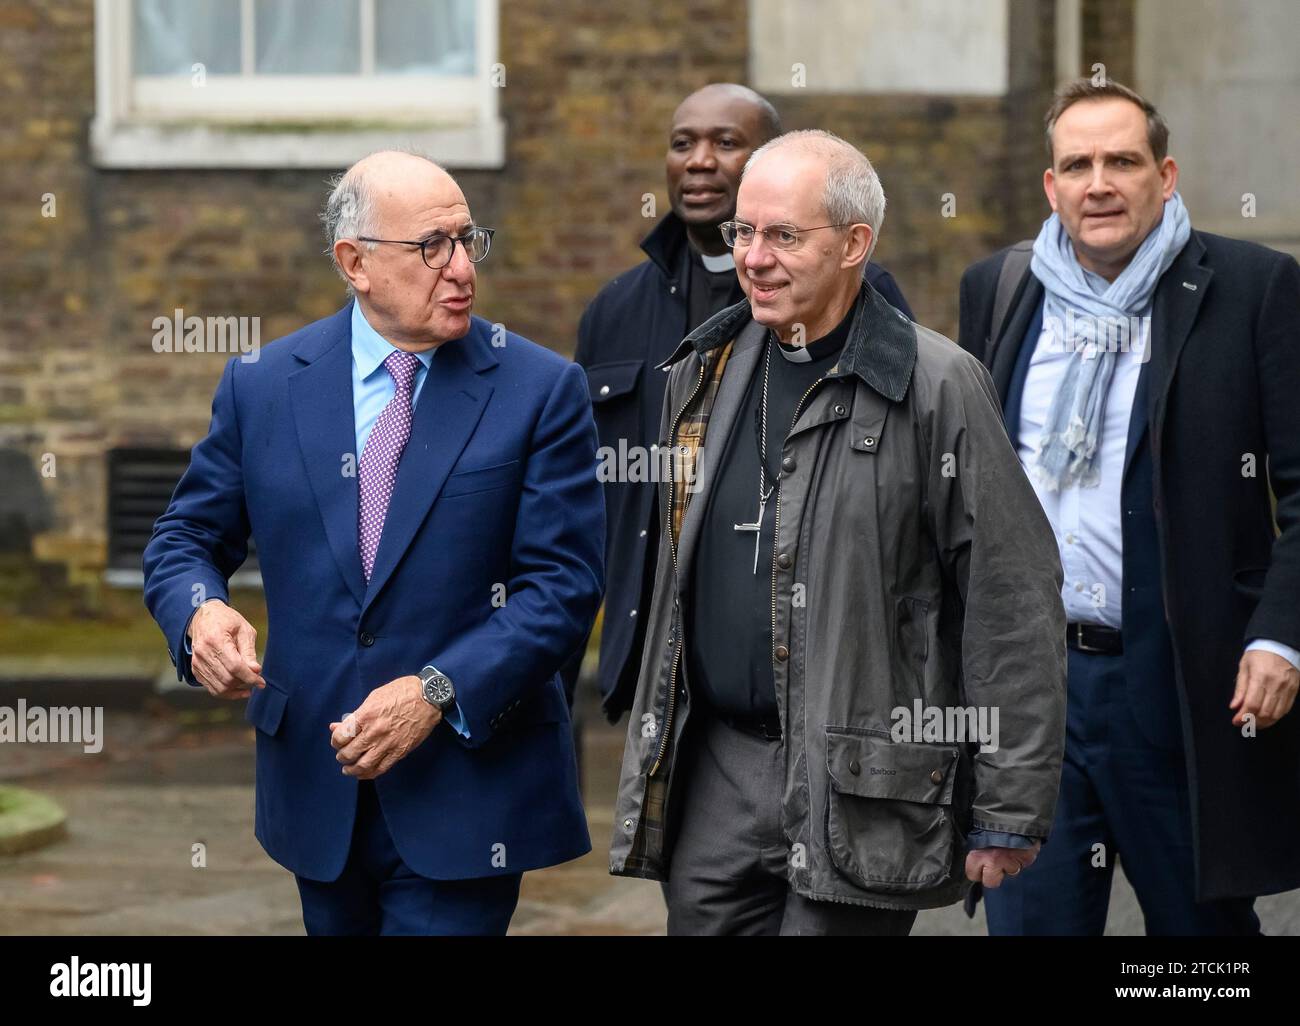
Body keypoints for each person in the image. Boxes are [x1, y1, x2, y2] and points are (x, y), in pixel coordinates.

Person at [610, 130, 1066, 935]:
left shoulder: (938, 385)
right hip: (715, 772)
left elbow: (1012, 597)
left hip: (862, 777)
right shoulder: (701, 373)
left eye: (784, 235)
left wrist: (1008, 806)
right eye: (742, 232)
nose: (752, 256)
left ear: (856, 244)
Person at [143, 151, 603, 935]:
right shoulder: (263, 384)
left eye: (468, 240)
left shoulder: (540, 388)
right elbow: (187, 534)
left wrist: (435, 690)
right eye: (432, 246)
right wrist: (199, 614)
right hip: (315, 792)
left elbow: (562, 587)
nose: (461, 268)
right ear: (354, 262)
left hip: (470, 792)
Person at [958, 78, 1300, 934]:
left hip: (1180, 690)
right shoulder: (1000, 292)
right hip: (1030, 697)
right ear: (1051, 185)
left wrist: (1277, 632)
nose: (1099, 183)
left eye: (1123, 161)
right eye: (1077, 164)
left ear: (1166, 174)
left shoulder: (1252, 290)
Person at [569, 83, 912, 721]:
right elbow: (582, 501)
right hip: (648, 666)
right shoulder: (614, 310)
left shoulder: (855, 295)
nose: (700, 160)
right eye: (682, 143)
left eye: (727, 143)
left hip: (801, 669)